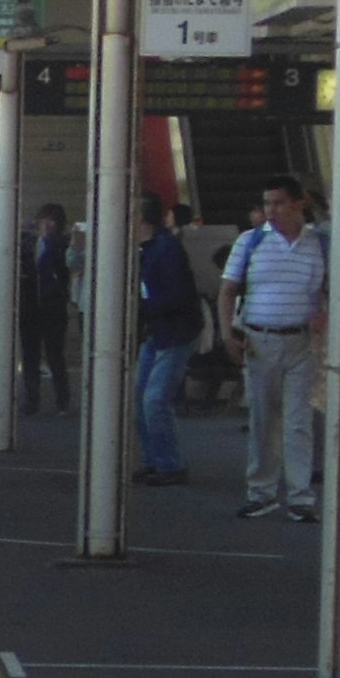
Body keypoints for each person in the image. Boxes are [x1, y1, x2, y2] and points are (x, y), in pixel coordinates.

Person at [218, 176, 329, 521]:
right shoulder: (249, 242)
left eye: (279, 203)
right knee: (263, 418)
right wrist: (227, 332)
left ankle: (300, 497)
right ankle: (262, 491)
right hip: (259, 339)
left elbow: (335, 289)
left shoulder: (321, 245)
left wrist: (326, 315)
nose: (271, 211)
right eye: (267, 203)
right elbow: (228, 290)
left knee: (298, 420)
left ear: (300, 204)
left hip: (302, 341)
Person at [133, 193, 199, 484]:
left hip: (173, 331)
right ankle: (157, 460)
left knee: (154, 399)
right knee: (142, 398)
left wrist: (142, 308)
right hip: (162, 329)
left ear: (141, 218)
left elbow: (176, 294)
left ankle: (169, 463)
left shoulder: (163, 250)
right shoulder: (152, 248)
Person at [17, 203, 74, 415]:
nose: (47, 224)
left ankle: (63, 400)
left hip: (52, 304)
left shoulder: (62, 244)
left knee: (55, 354)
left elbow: (64, 266)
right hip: (30, 303)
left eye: (52, 220)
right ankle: (31, 400)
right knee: (30, 355)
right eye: (44, 219)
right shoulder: (28, 243)